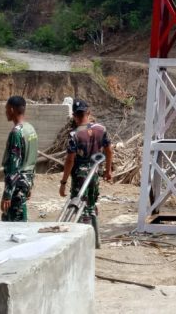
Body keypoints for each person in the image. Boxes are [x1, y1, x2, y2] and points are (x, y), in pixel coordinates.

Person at [60, 99, 113, 248]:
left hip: (80, 177)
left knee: (80, 208)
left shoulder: (74, 135)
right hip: (94, 174)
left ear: (74, 116)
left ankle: (82, 245)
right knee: (91, 205)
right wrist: (108, 170)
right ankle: (96, 241)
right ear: (88, 113)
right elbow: (109, 151)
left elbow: (70, 160)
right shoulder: (101, 130)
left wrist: (63, 182)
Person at [0, 95, 38, 222]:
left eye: (6, 109)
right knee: (13, 218)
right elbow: (32, 160)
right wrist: (30, 185)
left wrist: (7, 194)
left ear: (11, 109)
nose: (5, 112)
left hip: (17, 185)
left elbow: (13, 165)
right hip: (26, 181)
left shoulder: (16, 133)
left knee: (15, 223)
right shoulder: (30, 129)